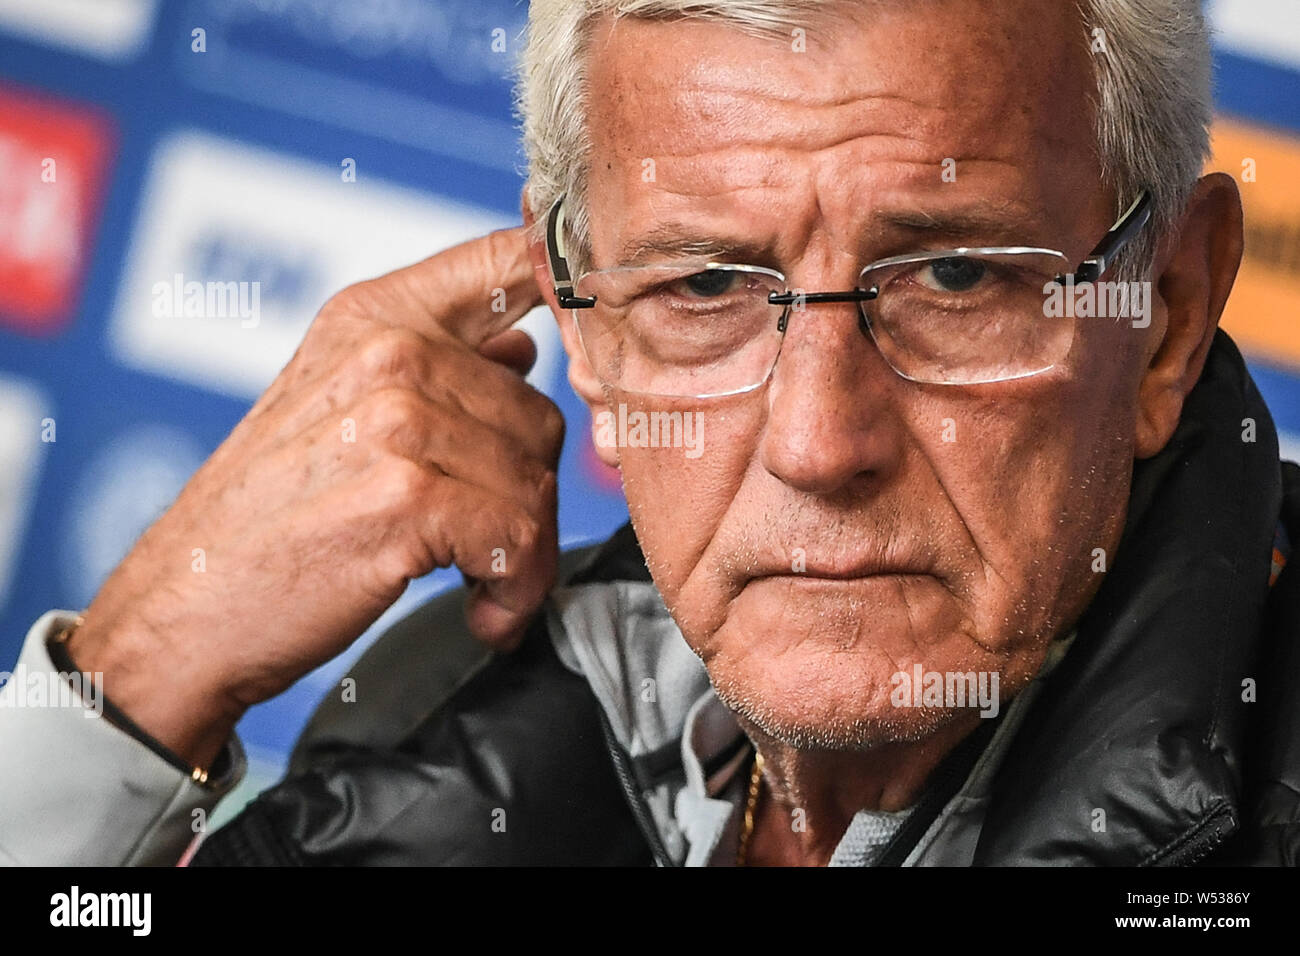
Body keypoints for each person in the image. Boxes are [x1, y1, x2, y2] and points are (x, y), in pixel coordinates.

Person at [1, 0, 1296, 866]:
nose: (816, 441)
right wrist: (139, 680)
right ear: (588, 330)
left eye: (953, 278)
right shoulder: (432, 704)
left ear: (1167, 313)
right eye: (707, 288)